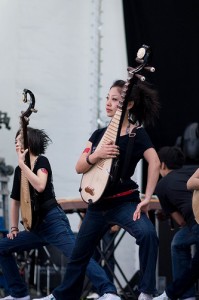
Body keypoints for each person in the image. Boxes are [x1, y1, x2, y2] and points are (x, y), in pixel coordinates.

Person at [34, 79, 161, 300]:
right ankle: (62, 296)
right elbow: (79, 166)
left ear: (128, 104)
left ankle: (147, 292)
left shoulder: (136, 133)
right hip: (98, 204)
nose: (109, 103)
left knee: (148, 234)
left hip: (125, 202)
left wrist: (147, 197)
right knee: (79, 254)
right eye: (107, 98)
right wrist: (98, 154)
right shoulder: (98, 135)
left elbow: (155, 162)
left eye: (115, 99)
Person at [0, 127, 119, 300]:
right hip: (36, 227)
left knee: (77, 255)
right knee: (3, 247)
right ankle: (19, 294)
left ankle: (108, 291)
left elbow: (40, 185)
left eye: (19, 140)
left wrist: (23, 166)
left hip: (53, 221)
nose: (16, 144)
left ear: (29, 141)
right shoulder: (21, 170)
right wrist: (13, 228)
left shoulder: (41, 161)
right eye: (15, 141)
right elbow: (15, 201)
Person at [153, 146, 199, 300]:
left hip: (195, 222)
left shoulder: (162, 185)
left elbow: (181, 221)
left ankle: (182, 295)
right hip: (195, 222)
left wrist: (166, 214)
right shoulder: (193, 171)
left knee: (181, 246)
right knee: (179, 242)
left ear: (163, 165)